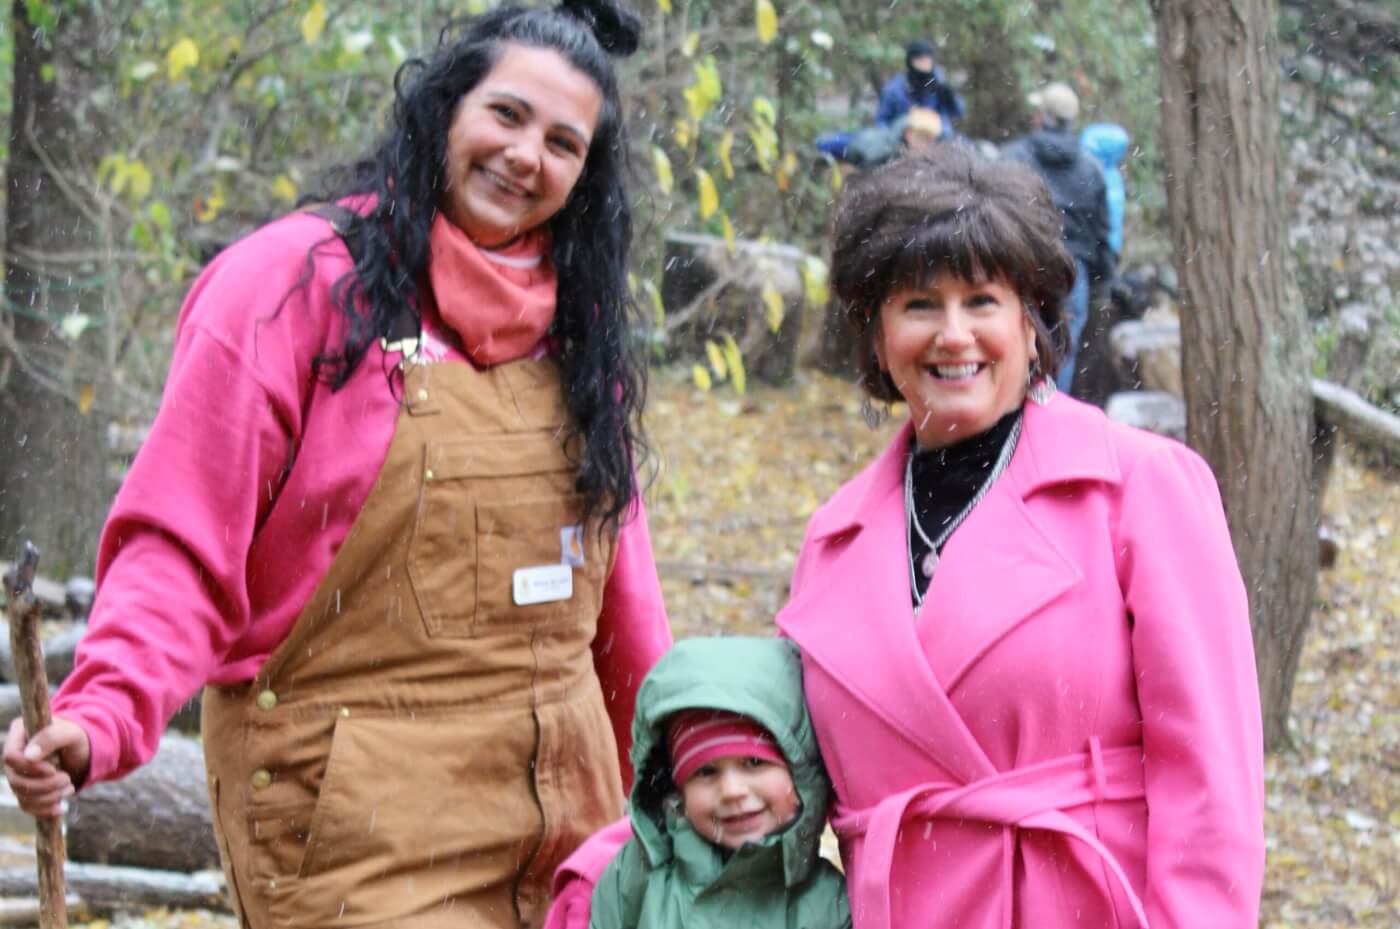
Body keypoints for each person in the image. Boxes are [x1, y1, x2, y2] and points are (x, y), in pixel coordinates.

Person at [2, 2, 672, 927]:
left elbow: (622, 610)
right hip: (357, 836)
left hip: (569, 837)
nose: (527, 156)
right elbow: (182, 542)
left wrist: (683, 775)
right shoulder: (289, 287)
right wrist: (102, 712)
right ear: (444, 108)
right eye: (507, 115)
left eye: (564, 142)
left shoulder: (578, 323)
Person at [776, 147, 1265, 929]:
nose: (954, 334)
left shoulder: (1139, 488)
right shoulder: (833, 540)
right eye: (918, 304)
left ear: (1031, 321)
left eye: (982, 300)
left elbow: (1213, 789)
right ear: (875, 331)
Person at [547, 636, 849, 929]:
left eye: (754, 763)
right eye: (706, 772)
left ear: (801, 774)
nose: (732, 791)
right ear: (678, 789)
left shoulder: (827, 906)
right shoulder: (635, 875)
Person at [1001, 81, 1114, 392]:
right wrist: (1104, 277)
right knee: (1062, 350)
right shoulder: (1091, 169)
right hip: (1072, 273)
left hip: (1020, 267)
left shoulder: (1010, 159)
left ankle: (1010, 419)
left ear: (1040, 117)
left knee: (1013, 341)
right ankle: (1048, 415)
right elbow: (1102, 230)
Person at [876, 39, 965, 138]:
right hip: (905, 137)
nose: (925, 64)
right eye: (920, 60)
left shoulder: (939, 83)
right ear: (911, 61)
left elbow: (958, 111)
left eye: (927, 60)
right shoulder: (895, 88)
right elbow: (882, 121)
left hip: (936, 136)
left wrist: (949, 96)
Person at [841, 107, 943, 170]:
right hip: (857, 150)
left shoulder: (907, 145)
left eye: (929, 141)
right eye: (921, 139)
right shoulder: (887, 151)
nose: (925, 145)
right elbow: (869, 168)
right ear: (909, 134)